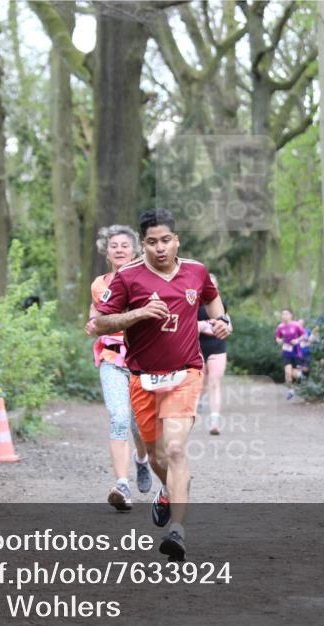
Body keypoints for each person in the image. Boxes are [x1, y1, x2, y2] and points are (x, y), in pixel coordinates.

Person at [94, 208, 230, 561]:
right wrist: (138, 314)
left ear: (177, 240)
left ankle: (177, 531)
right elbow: (100, 324)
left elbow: (212, 298)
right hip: (142, 378)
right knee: (156, 455)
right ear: (143, 244)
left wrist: (222, 321)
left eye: (166, 240)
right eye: (152, 242)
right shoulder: (127, 277)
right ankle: (171, 488)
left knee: (174, 450)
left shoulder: (196, 271)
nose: (159, 248)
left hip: (185, 372)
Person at [85, 225, 153, 512]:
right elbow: (96, 314)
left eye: (125, 245)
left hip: (142, 361)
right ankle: (122, 484)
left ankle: (141, 460)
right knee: (119, 417)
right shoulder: (99, 284)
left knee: (140, 426)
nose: (120, 249)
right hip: (112, 360)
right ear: (106, 250)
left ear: (135, 249)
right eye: (114, 245)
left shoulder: (147, 281)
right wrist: (92, 322)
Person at [197, 274, 230, 435]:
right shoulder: (195, 304)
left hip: (217, 347)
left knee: (214, 382)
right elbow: (187, 326)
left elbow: (229, 325)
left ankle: (214, 421)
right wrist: (202, 325)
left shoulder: (221, 304)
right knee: (201, 384)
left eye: (214, 284)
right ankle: (199, 402)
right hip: (199, 347)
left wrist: (227, 328)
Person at [275, 308, 306, 400]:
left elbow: (304, 335)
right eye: (283, 314)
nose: (284, 316)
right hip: (286, 352)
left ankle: (300, 376)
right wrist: (280, 341)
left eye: (286, 314)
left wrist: (297, 340)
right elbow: (277, 338)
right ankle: (291, 390)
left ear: (291, 315)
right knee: (287, 372)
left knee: (295, 373)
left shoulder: (296, 325)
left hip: (297, 352)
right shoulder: (280, 327)